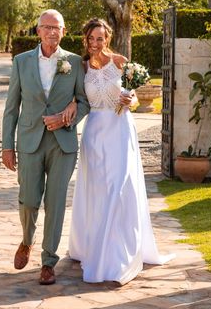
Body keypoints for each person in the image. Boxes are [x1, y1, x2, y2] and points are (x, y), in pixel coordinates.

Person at [67, 19, 172, 284]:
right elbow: (78, 97)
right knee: (98, 188)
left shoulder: (121, 61)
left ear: (108, 38)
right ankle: (92, 244)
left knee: (119, 186)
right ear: (85, 39)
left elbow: (134, 95)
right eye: (91, 38)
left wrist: (131, 100)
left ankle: (115, 253)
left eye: (100, 38)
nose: (95, 43)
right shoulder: (80, 67)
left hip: (120, 129)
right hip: (94, 133)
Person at [2, 9, 89, 285]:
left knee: (56, 203)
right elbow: (11, 108)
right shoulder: (21, 62)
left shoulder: (75, 63)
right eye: (47, 27)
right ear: (38, 31)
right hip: (29, 141)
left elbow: (85, 101)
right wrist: (7, 145)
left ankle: (49, 261)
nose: (52, 31)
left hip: (63, 144)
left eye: (58, 27)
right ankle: (27, 239)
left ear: (64, 31)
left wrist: (69, 113)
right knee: (28, 200)